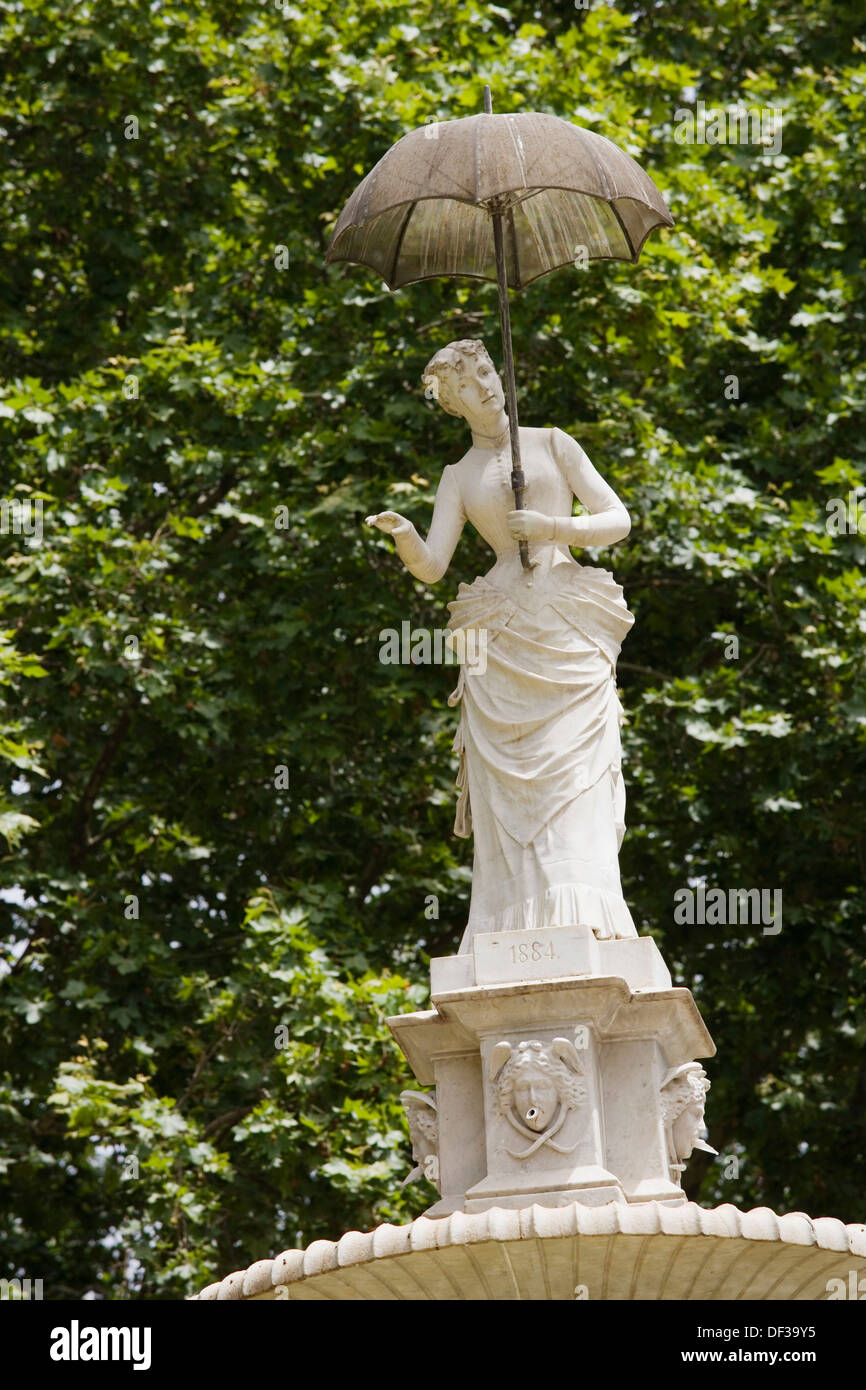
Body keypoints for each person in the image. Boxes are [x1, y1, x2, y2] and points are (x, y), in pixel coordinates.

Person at [366, 339, 636, 951]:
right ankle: (510, 918)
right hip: (502, 633)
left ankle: (583, 906)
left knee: (577, 777)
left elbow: (616, 519)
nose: (485, 386)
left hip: (564, 621)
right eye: (467, 385)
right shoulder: (457, 476)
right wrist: (406, 535)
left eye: (486, 371)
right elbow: (435, 566)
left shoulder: (551, 442)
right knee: (508, 788)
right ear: (453, 406)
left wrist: (551, 528)